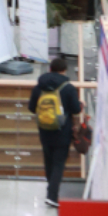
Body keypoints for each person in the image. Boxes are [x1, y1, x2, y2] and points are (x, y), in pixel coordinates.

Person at [28, 57, 81, 207]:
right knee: (58, 163)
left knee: (49, 161)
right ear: (64, 70)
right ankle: (52, 196)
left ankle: (51, 190)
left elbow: (32, 108)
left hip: (44, 130)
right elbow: (76, 109)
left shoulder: (39, 86)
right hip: (62, 131)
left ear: (50, 69)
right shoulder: (68, 88)